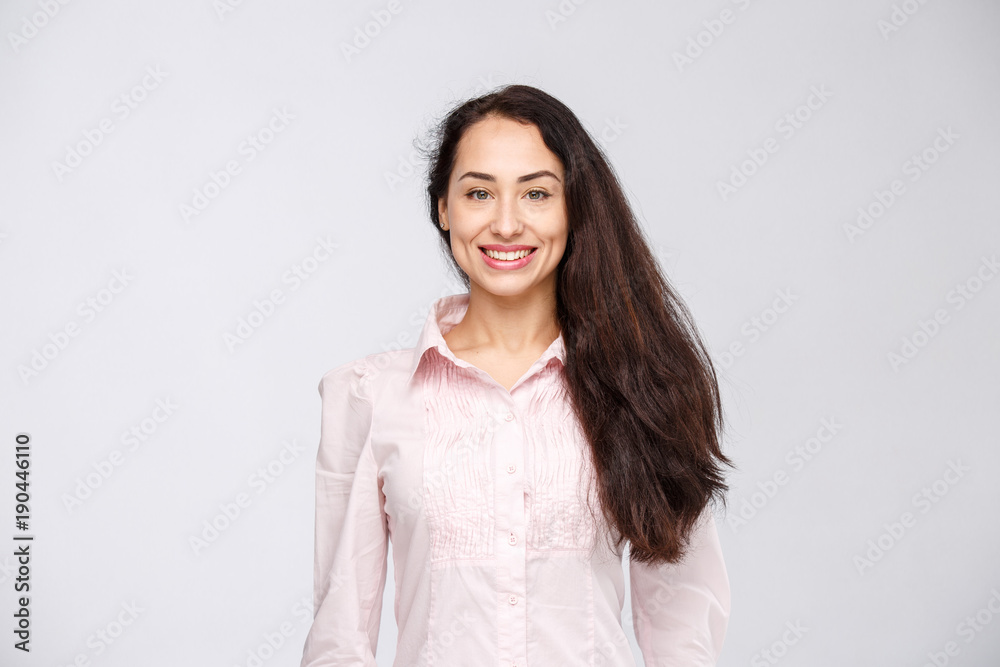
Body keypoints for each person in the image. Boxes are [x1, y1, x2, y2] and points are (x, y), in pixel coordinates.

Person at [300, 84, 734, 667]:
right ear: (443, 208)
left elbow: (685, 627)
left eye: (536, 194)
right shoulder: (368, 397)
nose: (506, 224)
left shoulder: (641, 390)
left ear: (573, 208)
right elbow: (339, 635)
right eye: (479, 192)